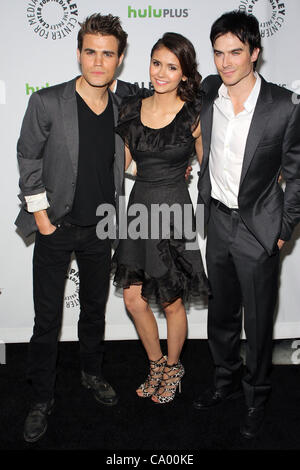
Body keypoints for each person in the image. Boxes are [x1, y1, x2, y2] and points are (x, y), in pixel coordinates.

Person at [15, 13, 140, 443]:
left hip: (102, 227)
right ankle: (40, 398)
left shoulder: (127, 104)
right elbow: (28, 157)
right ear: (79, 54)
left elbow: (168, 115)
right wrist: (42, 218)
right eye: (91, 52)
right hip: (57, 225)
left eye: (108, 54)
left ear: (120, 59)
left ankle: (91, 373)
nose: (98, 62)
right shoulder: (48, 101)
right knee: (47, 318)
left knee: (93, 310)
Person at [193, 11, 300, 438]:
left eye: (236, 52)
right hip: (217, 221)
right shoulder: (207, 94)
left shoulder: (282, 106)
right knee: (220, 315)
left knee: (256, 323)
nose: (226, 62)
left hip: (259, 229)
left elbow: (296, 173)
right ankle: (225, 384)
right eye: (219, 53)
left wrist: (283, 227)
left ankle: (256, 396)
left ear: (255, 52)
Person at [112, 32, 209, 404]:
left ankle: (173, 366)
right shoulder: (131, 109)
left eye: (172, 66)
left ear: (185, 73)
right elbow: (123, 164)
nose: (161, 73)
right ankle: (155, 364)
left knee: (171, 300)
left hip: (175, 212)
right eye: (157, 63)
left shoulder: (195, 115)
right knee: (133, 298)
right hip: (138, 209)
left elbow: (211, 167)